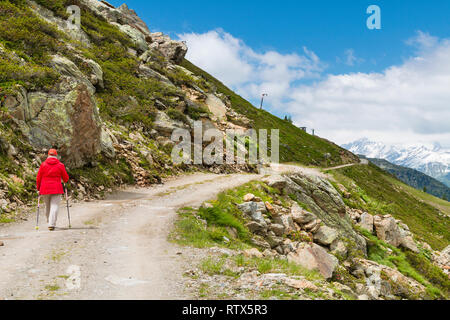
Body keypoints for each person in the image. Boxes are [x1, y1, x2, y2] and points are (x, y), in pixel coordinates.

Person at [36, 149, 69, 231]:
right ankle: (51, 223)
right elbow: (65, 177)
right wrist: (65, 181)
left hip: (45, 188)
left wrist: (38, 188)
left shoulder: (43, 165)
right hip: (56, 188)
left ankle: (49, 221)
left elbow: (38, 178)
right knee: (54, 205)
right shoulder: (60, 165)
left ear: (48, 155)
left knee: (47, 206)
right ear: (56, 156)